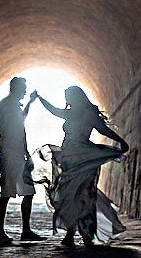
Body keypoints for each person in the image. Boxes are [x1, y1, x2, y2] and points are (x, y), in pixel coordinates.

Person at [33, 86, 129, 245]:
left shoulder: (88, 114)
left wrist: (121, 141)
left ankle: (87, 234)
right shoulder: (70, 113)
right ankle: (71, 233)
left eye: (69, 97)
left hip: (84, 158)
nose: (67, 100)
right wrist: (40, 98)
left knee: (85, 195)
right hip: (69, 159)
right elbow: (54, 110)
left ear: (77, 97)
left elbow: (104, 130)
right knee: (69, 194)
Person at [0, 76, 44, 245]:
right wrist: (25, 153)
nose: (25, 90)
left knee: (26, 192)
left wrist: (29, 103)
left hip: (13, 153)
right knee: (8, 193)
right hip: (11, 153)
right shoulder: (8, 105)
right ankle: (3, 232)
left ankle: (24, 231)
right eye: (23, 87)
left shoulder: (9, 104)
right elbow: (14, 131)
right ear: (15, 87)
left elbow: (19, 123)